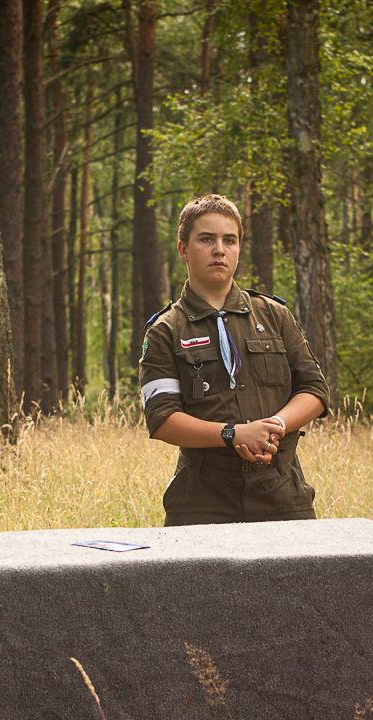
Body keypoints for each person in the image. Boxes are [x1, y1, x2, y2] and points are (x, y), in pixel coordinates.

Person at [138, 193, 330, 526]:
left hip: (282, 494)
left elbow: (315, 390)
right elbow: (162, 418)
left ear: (239, 248)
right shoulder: (166, 330)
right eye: (206, 239)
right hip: (201, 500)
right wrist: (234, 434)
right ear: (183, 249)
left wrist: (275, 427)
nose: (219, 250)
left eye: (230, 240)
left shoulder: (274, 315)